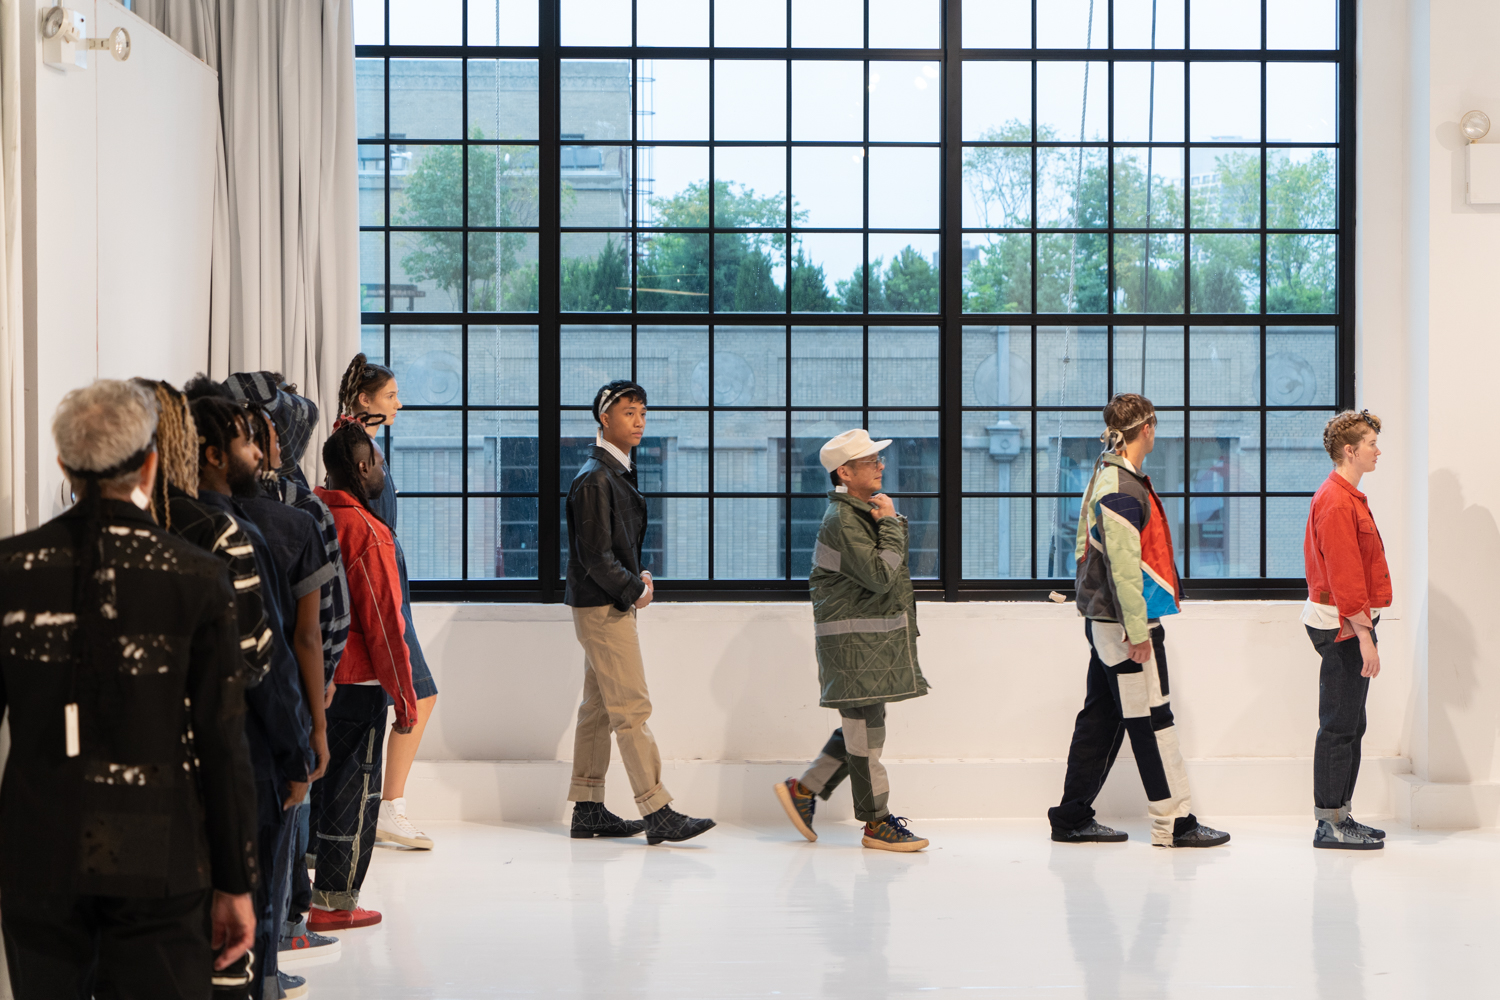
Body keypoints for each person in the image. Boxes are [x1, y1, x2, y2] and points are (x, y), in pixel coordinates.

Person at [0, 380, 257, 998]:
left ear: (65, 466)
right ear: (149, 463)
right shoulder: (195, 577)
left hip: (39, 849)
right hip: (160, 851)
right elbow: (223, 744)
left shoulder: (10, 572)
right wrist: (236, 879)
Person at [1047, 393, 1230, 849]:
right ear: (1147, 429)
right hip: (1123, 625)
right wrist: (1137, 629)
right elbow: (1124, 571)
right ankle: (1175, 824)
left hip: (1104, 622)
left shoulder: (1108, 477)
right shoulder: (1121, 487)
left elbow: (1085, 554)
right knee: (1152, 718)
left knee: (1101, 719)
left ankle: (1070, 818)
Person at [182, 381, 314, 999]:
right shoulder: (236, 536)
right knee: (245, 932)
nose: (261, 454)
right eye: (245, 441)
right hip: (245, 756)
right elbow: (271, 659)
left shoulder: (168, 531)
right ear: (211, 452)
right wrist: (298, 754)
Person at [223, 372, 350, 961]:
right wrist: (318, 695)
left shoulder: (204, 516)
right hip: (286, 696)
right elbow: (318, 625)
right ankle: (278, 941)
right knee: (281, 824)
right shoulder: (300, 512)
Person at [564, 380, 714, 845]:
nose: (640, 420)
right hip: (604, 606)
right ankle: (658, 810)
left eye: (643, 412)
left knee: (598, 710)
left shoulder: (613, 472)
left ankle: (587, 808)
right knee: (632, 708)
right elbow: (594, 557)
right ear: (604, 419)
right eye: (629, 412)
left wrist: (635, 577)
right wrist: (635, 590)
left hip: (603, 601)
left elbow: (607, 547)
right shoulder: (596, 477)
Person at [773, 429, 931, 852]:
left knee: (860, 731)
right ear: (845, 472)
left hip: (864, 647)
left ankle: (804, 791)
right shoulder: (843, 520)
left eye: (879, 460)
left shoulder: (860, 513)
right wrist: (893, 523)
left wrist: (886, 522)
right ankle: (876, 822)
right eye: (871, 462)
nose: (881, 466)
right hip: (855, 648)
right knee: (866, 739)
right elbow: (881, 576)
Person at [310, 421, 419, 931]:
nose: (381, 470)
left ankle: (300, 898)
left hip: (307, 678)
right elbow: (384, 625)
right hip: (357, 684)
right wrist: (406, 698)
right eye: (377, 460)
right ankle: (334, 904)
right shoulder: (368, 533)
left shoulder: (305, 514)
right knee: (353, 793)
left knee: (311, 785)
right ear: (361, 467)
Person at [337, 354, 436, 850]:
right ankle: (387, 807)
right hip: (379, 588)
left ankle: (382, 806)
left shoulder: (363, 446)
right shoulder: (353, 450)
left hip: (389, 581)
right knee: (415, 694)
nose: (399, 403)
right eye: (391, 395)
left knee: (411, 695)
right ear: (365, 400)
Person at [1303, 410, 1391, 850]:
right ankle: (1330, 824)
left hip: (1348, 622)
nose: (1379, 450)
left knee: (1351, 723)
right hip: (1341, 626)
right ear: (1350, 450)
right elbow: (1345, 578)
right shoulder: (1337, 501)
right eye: (1372, 443)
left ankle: (1342, 815)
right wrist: (1365, 636)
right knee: (1339, 726)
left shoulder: (1347, 495)